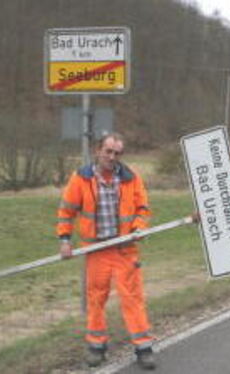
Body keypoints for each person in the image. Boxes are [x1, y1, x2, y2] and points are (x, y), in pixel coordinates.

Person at [56, 133, 156, 370]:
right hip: (97, 251)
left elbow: (143, 208)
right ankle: (96, 347)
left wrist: (139, 228)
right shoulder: (80, 179)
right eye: (108, 151)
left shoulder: (131, 179)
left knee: (133, 299)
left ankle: (144, 348)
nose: (112, 157)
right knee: (96, 299)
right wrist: (65, 240)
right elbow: (66, 211)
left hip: (124, 249)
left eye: (117, 153)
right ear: (98, 150)